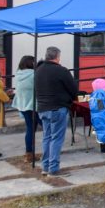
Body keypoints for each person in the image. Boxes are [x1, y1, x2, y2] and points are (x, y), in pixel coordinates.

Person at [35, 46, 78, 176]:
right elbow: (73, 89)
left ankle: (45, 166)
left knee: (46, 137)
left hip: (42, 108)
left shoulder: (38, 70)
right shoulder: (61, 70)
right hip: (58, 107)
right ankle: (53, 168)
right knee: (56, 139)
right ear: (57, 57)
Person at [12, 56, 38, 163]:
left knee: (30, 129)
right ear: (31, 63)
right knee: (48, 127)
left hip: (22, 105)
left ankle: (29, 154)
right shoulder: (34, 75)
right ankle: (49, 153)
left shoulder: (18, 74)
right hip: (34, 106)